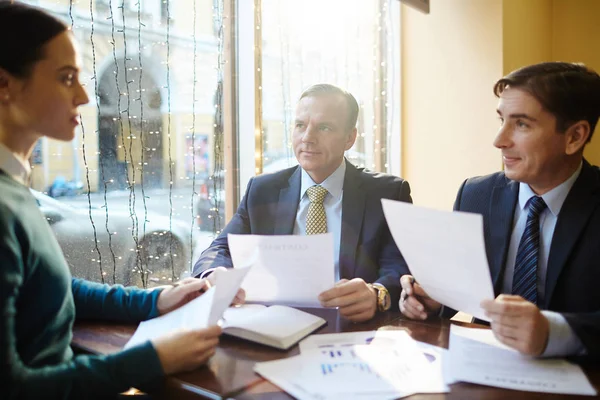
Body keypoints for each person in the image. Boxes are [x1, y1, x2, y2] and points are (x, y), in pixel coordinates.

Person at [0, 3, 237, 398]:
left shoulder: (15, 189)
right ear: (5, 85)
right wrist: (153, 360)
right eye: (66, 78)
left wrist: (154, 300)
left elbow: (50, 288)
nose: (83, 96)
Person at [399, 62, 600, 358]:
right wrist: (433, 298)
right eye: (501, 120)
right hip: (483, 370)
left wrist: (554, 332)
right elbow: (460, 289)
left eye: (521, 124)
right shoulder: (475, 194)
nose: (499, 141)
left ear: (574, 137)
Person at [193, 83, 412, 322]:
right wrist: (215, 273)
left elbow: (401, 267)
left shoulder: (387, 192)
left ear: (350, 138)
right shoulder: (263, 190)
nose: (308, 138)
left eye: (324, 127)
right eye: (300, 125)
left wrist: (376, 294)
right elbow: (220, 248)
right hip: (274, 326)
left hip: (352, 330)